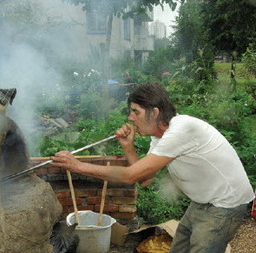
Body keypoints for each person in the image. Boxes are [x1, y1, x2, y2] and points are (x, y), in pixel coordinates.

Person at [52, 83, 255, 253]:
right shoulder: (159, 138)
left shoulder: (182, 129)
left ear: (155, 112)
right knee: (179, 248)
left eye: (136, 112)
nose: (130, 118)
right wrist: (128, 148)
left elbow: (131, 176)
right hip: (203, 201)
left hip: (226, 203)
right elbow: (146, 179)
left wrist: (77, 165)